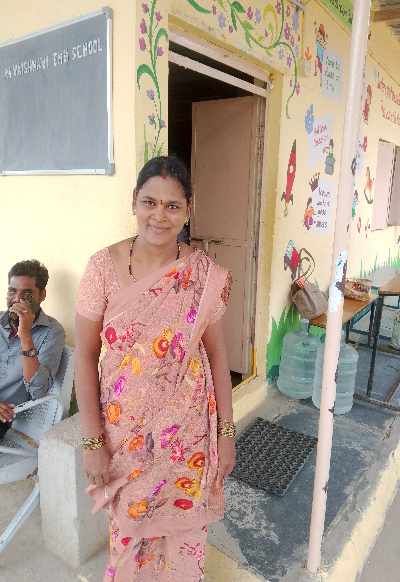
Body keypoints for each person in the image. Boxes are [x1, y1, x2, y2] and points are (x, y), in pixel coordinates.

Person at [75, 156, 236, 581]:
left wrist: (226, 433)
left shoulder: (202, 275)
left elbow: (218, 356)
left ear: (188, 211)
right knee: (130, 543)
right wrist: (92, 441)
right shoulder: (102, 268)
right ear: (134, 202)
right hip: (125, 441)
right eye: (150, 202)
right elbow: (84, 356)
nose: (159, 215)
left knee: (184, 545)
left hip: (188, 440)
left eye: (172, 206)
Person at [0, 260, 65, 439]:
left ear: (42, 295)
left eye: (27, 294)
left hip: (5, 415)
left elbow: (38, 390)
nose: (17, 299)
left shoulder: (52, 332)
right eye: (12, 291)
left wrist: (25, 335)